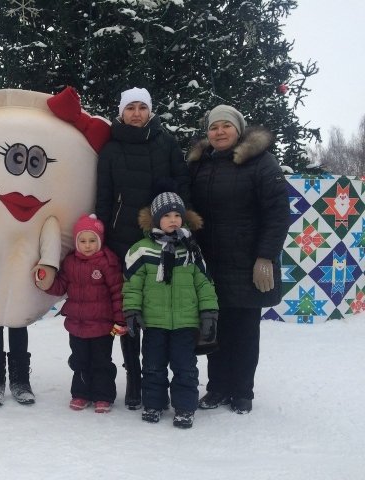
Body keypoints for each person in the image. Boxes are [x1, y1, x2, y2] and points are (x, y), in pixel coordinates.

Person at [95, 87, 200, 410]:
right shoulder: (111, 148)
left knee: (159, 310)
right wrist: (101, 231)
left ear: (150, 111)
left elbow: (181, 185)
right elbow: (104, 193)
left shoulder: (165, 142)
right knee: (130, 310)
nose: (137, 113)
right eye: (131, 108)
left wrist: (182, 226)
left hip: (162, 237)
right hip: (122, 237)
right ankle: (135, 378)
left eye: (142, 107)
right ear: (121, 112)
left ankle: (161, 379)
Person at [188, 105, 290, 414]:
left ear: (238, 130)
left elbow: (278, 214)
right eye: (213, 127)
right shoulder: (199, 165)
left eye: (225, 126)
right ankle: (217, 387)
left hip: (248, 262)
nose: (219, 132)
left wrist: (266, 257)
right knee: (214, 327)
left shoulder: (261, 163)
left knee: (245, 330)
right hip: (210, 261)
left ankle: (242, 391)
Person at [122, 191, 218, 428]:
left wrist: (209, 312)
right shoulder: (141, 250)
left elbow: (204, 283)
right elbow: (131, 284)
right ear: (156, 220)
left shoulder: (191, 249)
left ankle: (185, 407)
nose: (173, 219)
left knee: (185, 367)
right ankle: (154, 404)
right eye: (167, 215)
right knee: (153, 366)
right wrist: (132, 310)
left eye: (177, 215)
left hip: (185, 323)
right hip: (154, 322)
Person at [37, 214, 126, 413]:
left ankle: (103, 396)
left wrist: (120, 320)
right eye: (83, 241)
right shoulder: (70, 263)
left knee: (101, 361)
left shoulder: (107, 263)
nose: (88, 245)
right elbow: (61, 287)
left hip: (104, 327)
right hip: (76, 325)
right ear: (76, 242)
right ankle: (81, 393)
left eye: (92, 240)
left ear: (100, 241)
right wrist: (46, 282)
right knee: (79, 360)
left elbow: (117, 292)